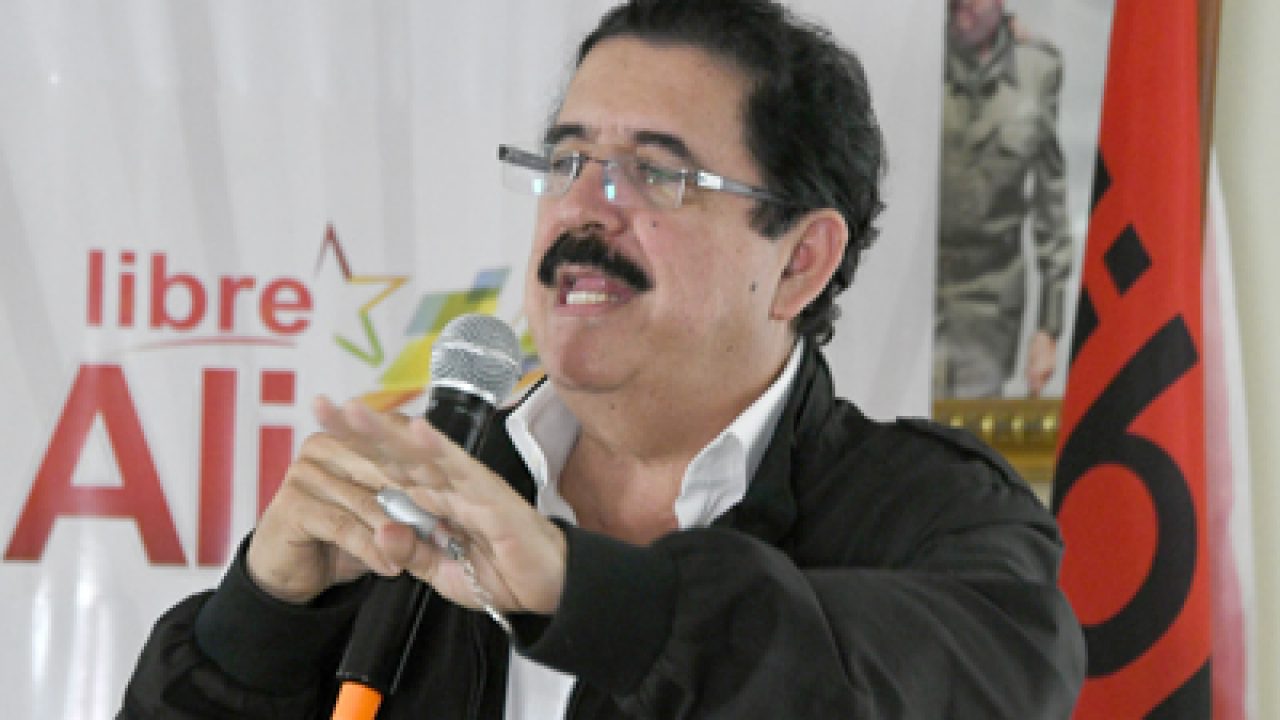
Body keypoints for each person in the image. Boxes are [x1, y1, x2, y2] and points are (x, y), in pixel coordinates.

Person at [120, 0, 1085, 717]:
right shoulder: (414, 505)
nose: (583, 207)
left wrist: (579, 591)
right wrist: (262, 616)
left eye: (656, 173)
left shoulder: (934, 515)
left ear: (800, 260)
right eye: (566, 161)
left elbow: (966, 687)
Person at [935, 0, 1074, 398]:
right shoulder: (917, 61)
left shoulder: (1037, 71)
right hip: (916, 293)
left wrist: (1049, 328)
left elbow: (1051, 207)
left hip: (991, 299)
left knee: (967, 429)